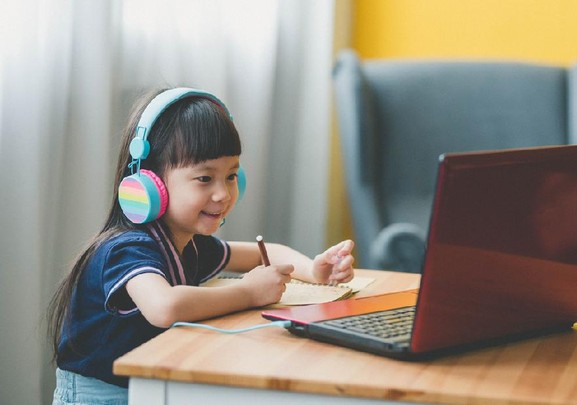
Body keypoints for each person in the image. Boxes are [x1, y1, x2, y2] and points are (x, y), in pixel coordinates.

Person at [47, 87, 355, 404]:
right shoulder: (127, 249)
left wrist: (314, 270)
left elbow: (269, 251)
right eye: (205, 179)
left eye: (232, 176)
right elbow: (164, 307)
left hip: (148, 386)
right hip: (99, 396)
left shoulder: (192, 245)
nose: (222, 194)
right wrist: (248, 293)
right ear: (149, 183)